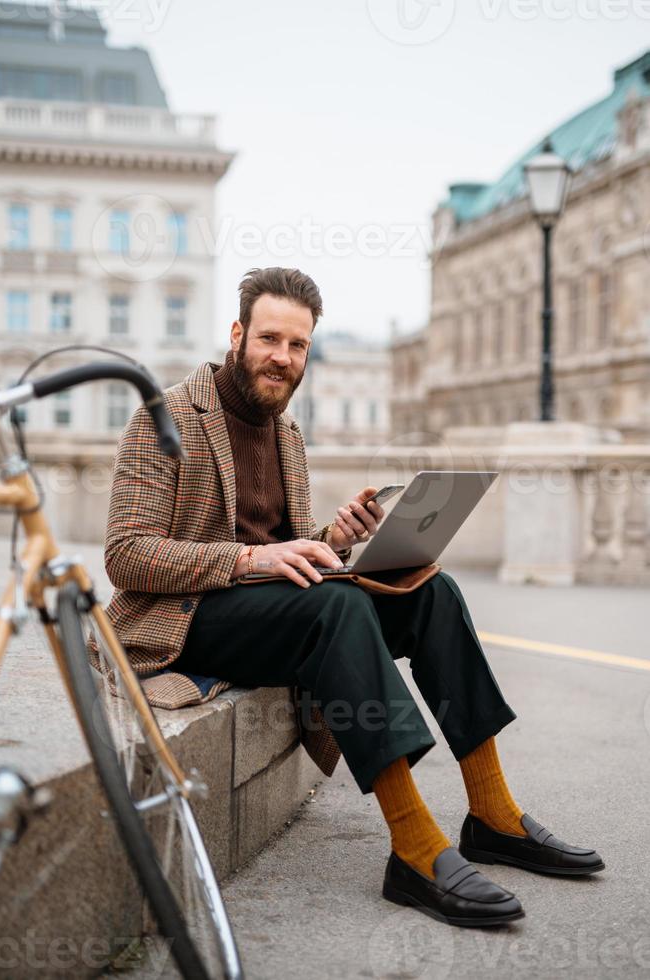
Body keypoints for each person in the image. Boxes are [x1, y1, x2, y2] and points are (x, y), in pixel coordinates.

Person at [104, 266, 604, 929]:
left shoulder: (287, 434)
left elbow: (289, 552)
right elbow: (127, 554)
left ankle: (492, 812)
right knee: (334, 608)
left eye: (299, 345)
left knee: (432, 590)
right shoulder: (163, 417)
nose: (283, 358)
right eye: (270, 339)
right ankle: (414, 847)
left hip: (267, 611)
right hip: (186, 620)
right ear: (237, 334)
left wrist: (332, 540)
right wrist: (251, 557)